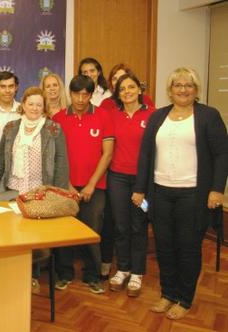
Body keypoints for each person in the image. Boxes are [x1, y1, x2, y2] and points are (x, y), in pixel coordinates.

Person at [133, 67, 228, 319]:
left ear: (196, 90)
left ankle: (185, 299)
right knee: (164, 247)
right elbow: (145, 154)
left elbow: (221, 155)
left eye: (188, 85)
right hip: (160, 192)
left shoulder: (209, 116)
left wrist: (217, 189)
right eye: (178, 85)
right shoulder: (158, 117)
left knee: (187, 248)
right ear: (170, 89)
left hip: (193, 195)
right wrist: (140, 188)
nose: (183, 89)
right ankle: (168, 294)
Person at [0, 86, 69, 293]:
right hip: (12, 191)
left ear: (44, 107)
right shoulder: (11, 127)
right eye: (30, 103)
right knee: (11, 235)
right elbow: (0, 159)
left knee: (34, 238)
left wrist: (56, 191)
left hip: (39, 193)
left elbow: (61, 161)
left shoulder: (53, 129)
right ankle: (11, 274)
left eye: (39, 104)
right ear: (23, 105)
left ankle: (33, 277)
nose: (34, 108)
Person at [52, 75, 114, 294]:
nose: (80, 99)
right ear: (70, 93)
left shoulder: (103, 116)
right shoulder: (58, 118)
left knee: (92, 229)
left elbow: (107, 155)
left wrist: (90, 185)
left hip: (94, 186)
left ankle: (92, 276)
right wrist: (67, 184)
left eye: (85, 94)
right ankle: (65, 273)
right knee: (64, 230)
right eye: (76, 94)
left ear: (91, 94)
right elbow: (57, 156)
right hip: (65, 186)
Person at [98, 63, 155, 279]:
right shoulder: (112, 115)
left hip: (142, 180)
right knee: (120, 226)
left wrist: (143, 185)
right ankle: (122, 268)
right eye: (122, 89)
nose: (127, 92)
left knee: (138, 225)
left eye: (131, 87)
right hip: (117, 178)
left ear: (139, 90)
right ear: (117, 94)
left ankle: (137, 272)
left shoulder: (153, 115)